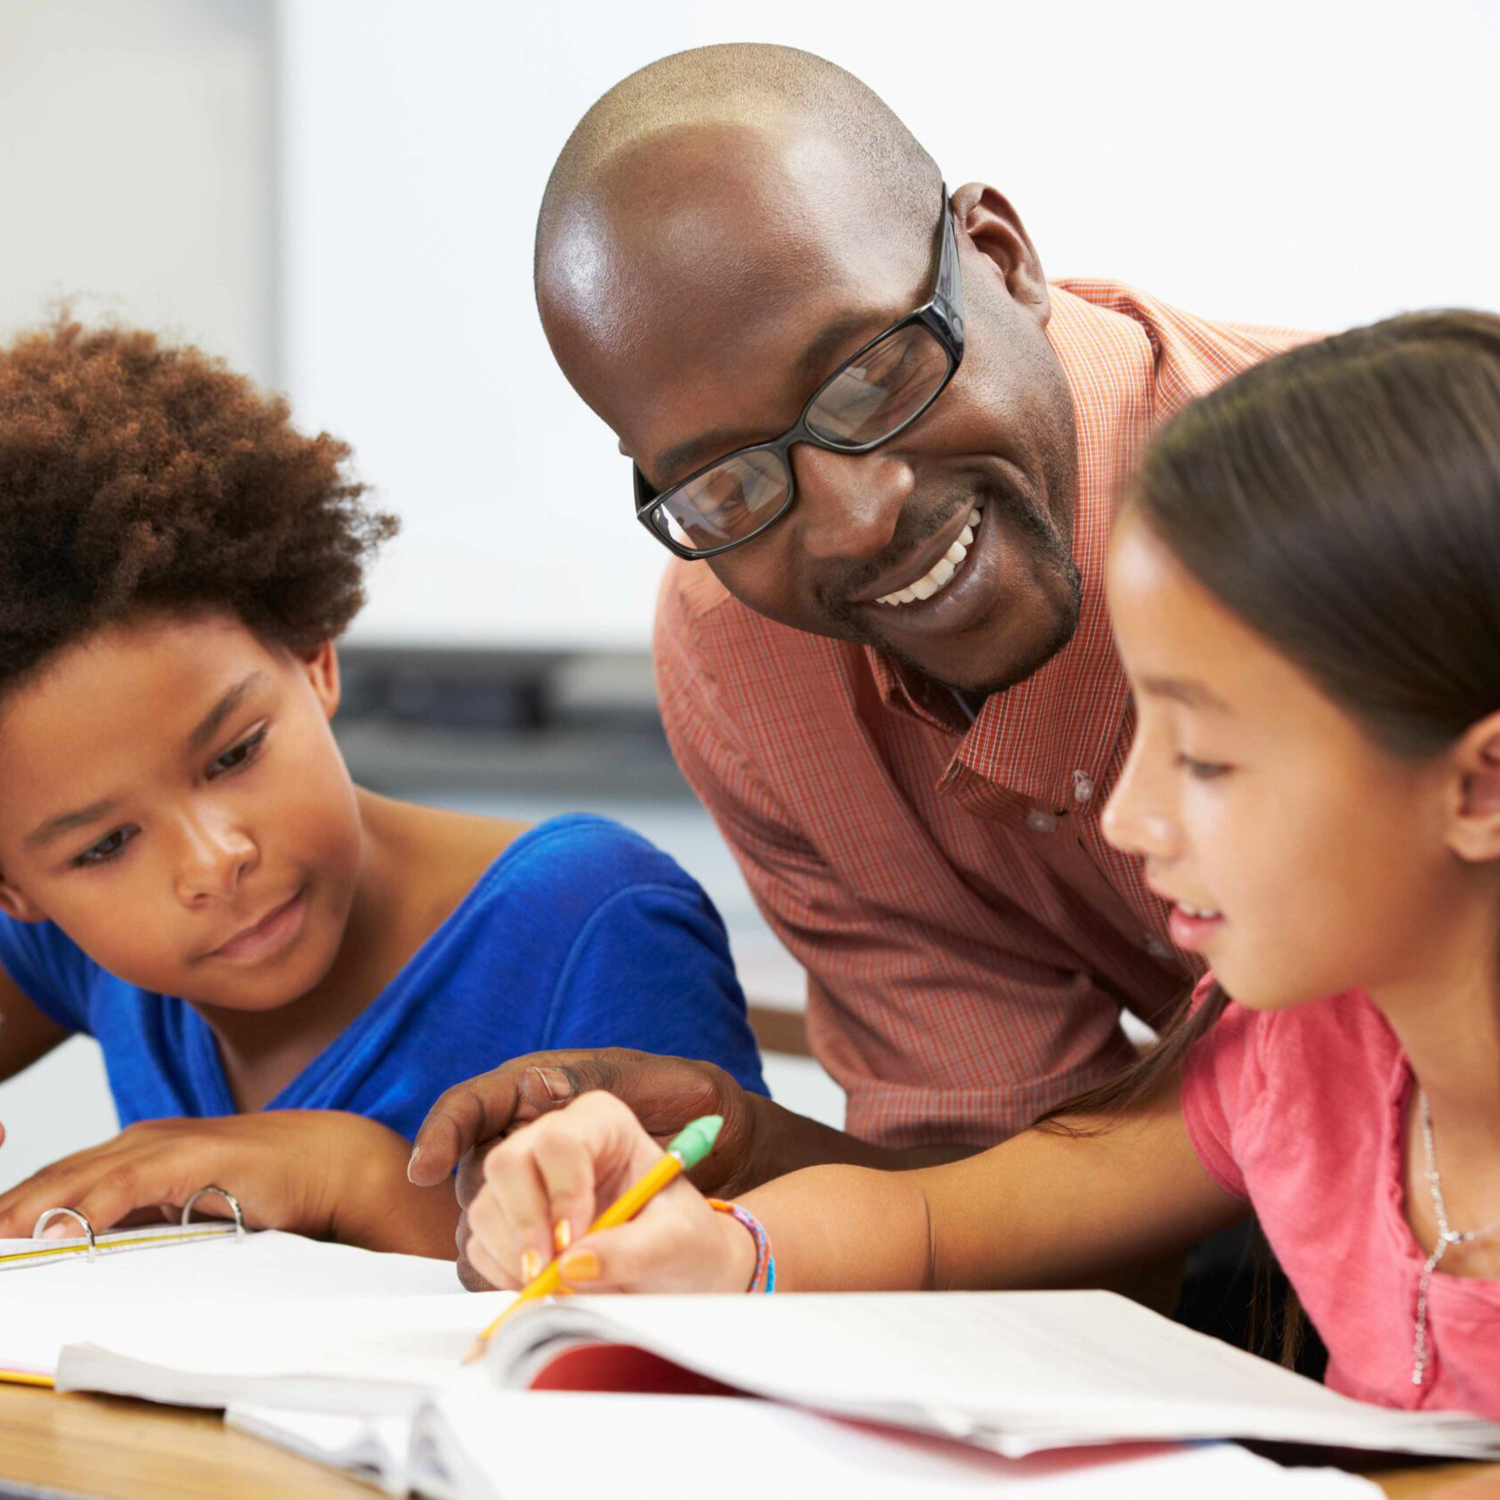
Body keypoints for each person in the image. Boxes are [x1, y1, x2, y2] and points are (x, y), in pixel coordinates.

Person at [461, 309, 1500, 1418]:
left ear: (1479, 788)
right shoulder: (1305, 1059)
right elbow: (937, 1221)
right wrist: (720, 1255)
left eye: (1204, 758)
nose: (1132, 817)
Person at [410, 43, 1309, 1262]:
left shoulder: (1384, 519)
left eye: (872, 374)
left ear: (1001, 260)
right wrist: (749, 1153)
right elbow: (1022, 1203)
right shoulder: (750, 670)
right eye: (726, 481)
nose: (854, 517)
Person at [0, 319, 765, 1253]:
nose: (215, 861)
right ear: (19, 890)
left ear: (314, 657)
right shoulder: (81, 947)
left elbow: (712, 1280)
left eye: (235, 753)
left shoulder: (591, 924)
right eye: (105, 845)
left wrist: (349, 1175)